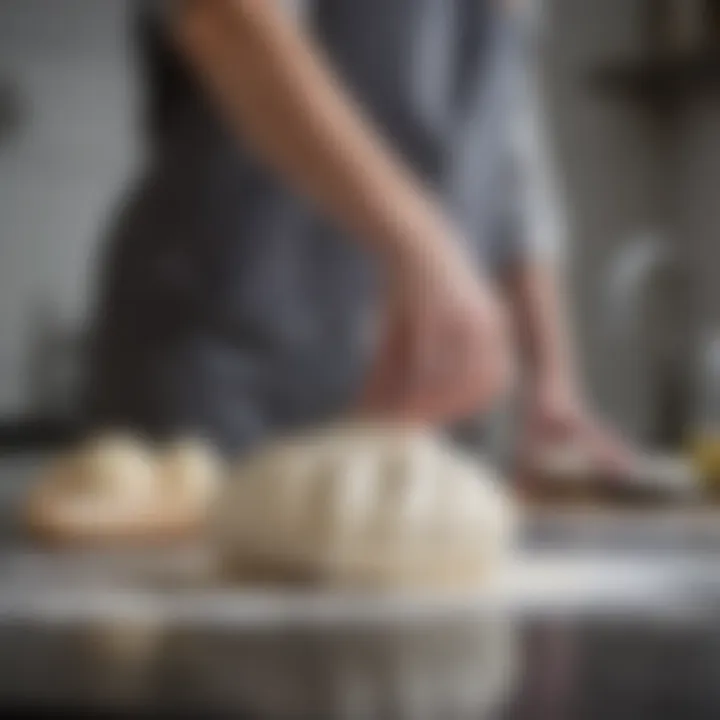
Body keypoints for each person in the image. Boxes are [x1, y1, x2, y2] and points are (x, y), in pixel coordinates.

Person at [86, 0, 632, 474]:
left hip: (401, 385)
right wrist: (424, 246)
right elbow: (226, 20)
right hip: (221, 361)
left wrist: (551, 385)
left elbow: (509, 154)